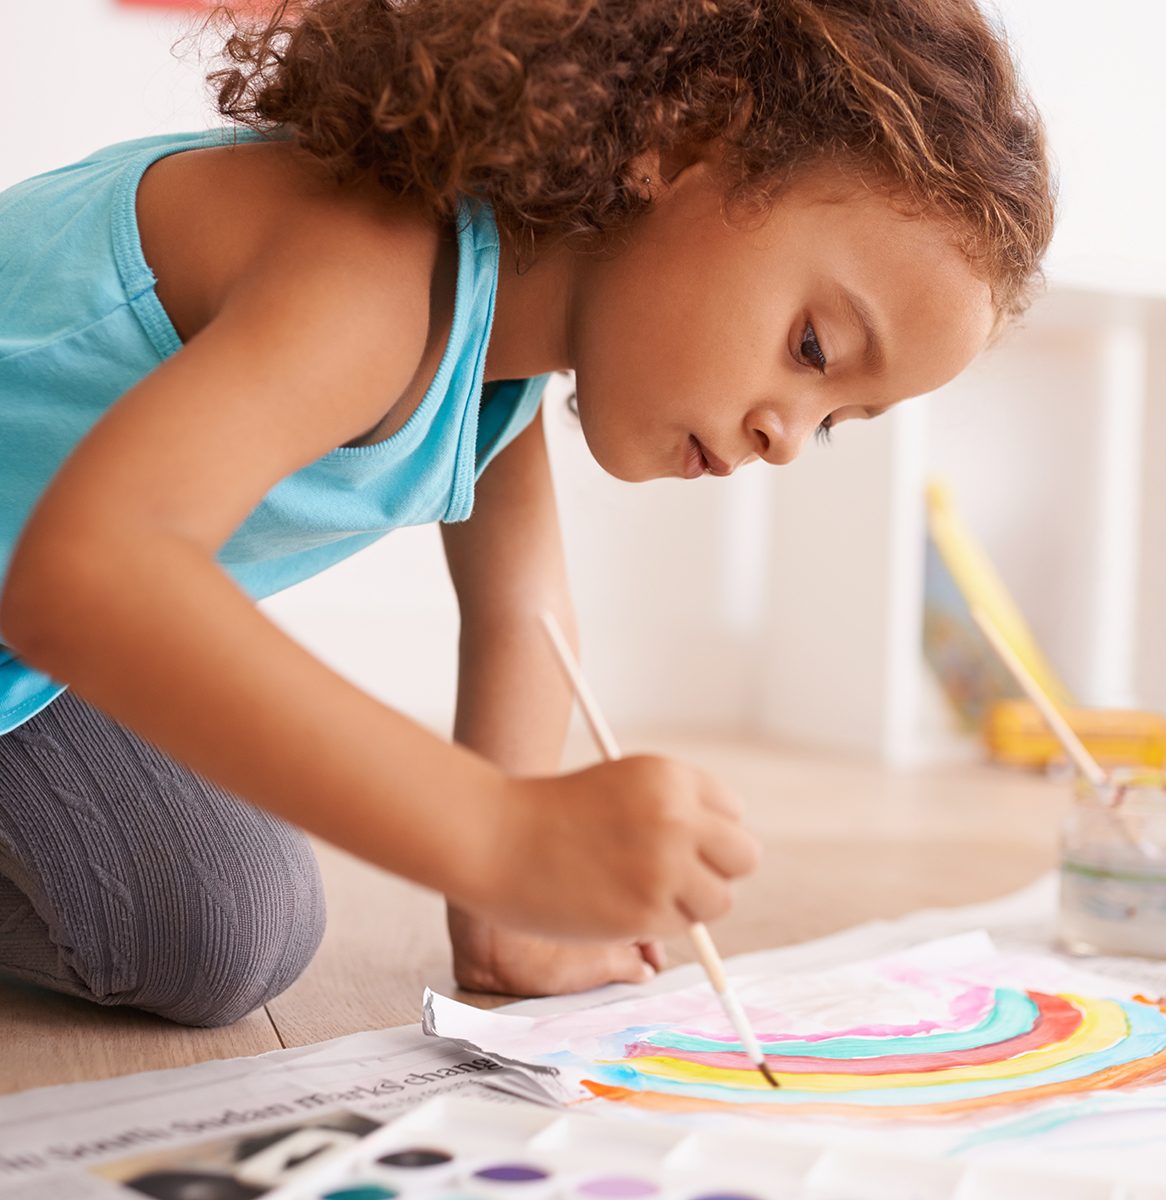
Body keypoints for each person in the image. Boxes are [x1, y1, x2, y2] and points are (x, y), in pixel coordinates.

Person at [0, 0, 1054, 1027]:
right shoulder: (365, 272)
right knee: (227, 915)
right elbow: (92, 573)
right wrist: (505, 836)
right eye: (814, 348)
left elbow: (525, 616)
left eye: (832, 423)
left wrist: (507, 913)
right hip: (53, 600)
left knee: (224, 917)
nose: (787, 438)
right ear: (686, 140)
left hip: (32, 643)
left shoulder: (497, 349)